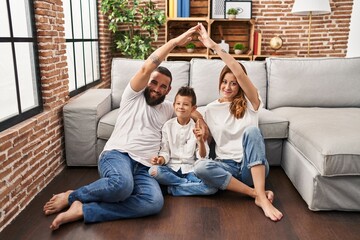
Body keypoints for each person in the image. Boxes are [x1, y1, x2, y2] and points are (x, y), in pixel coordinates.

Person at [43, 25, 206, 230]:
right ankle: (72, 196)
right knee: (121, 186)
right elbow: (147, 68)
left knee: (154, 203)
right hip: (118, 155)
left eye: (163, 86)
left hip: (145, 167)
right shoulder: (132, 95)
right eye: (154, 83)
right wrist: (175, 42)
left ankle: (84, 210)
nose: (157, 89)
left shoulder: (168, 108)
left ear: (169, 90)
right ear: (148, 82)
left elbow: (193, 112)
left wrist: (200, 123)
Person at [193, 23, 283, 222]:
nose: (228, 86)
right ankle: (257, 195)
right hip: (226, 168)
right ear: (219, 82)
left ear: (240, 85)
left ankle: (258, 193)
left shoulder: (252, 101)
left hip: (251, 167)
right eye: (225, 81)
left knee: (252, 131)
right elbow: (186, 110)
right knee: (201, 167)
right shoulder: (209, 109)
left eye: (234, 83)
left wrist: (214, 46)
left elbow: (239, 72)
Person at [149, 86, 217, 196]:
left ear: (193, 109)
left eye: (185, 104)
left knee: (211, 188)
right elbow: (165, 151)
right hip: (171, 169)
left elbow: (203, 158)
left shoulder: (196, 128)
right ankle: (185, 185)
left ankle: (171, 189)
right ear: (174, 105)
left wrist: (200, 141)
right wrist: (160, 160)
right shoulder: (167, 126)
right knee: (154, 171)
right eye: (178, 104)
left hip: (190, 170)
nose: (181, 107)